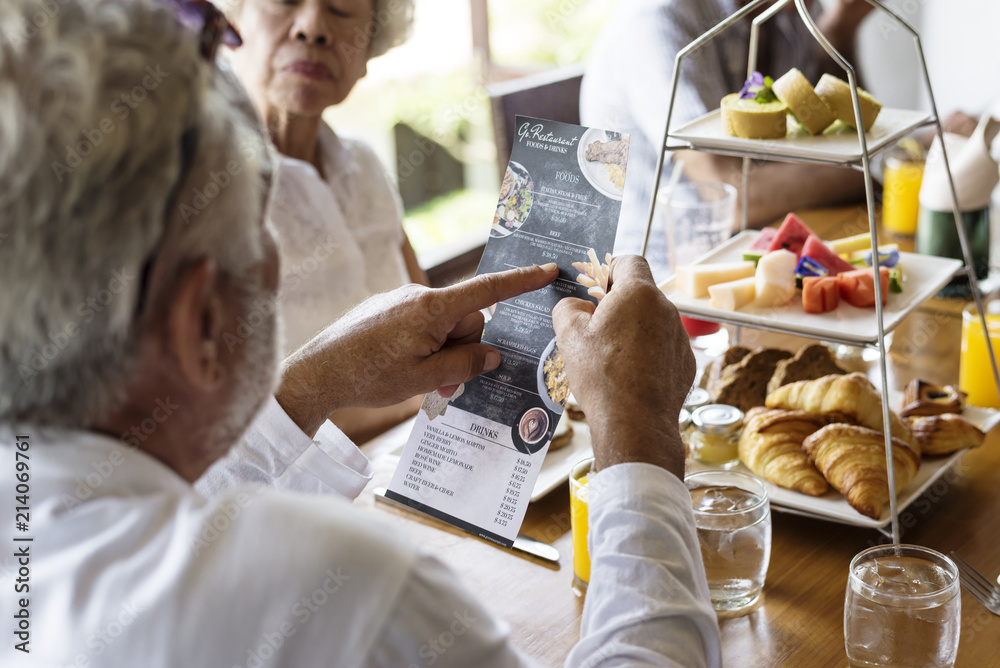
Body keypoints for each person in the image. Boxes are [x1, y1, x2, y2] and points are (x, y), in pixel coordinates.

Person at [0, 1, 721, 666]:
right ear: (203, 321)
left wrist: (312, 384)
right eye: (257, 231)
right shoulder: (332, 586)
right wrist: (638, 432)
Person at [225, 0, 428, 442]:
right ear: (230, 19)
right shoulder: (193, 192)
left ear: (370, 44)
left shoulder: (366, 166)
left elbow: (434, 324)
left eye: (341, 8)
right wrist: (424, 396)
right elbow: (219, 434)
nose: (313, 27)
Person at [581, 0, 874, 281]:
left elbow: (836, 128)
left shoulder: (790, 12)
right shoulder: (658, 21)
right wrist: (872, 171)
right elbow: (733, 196)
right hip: (653, 272)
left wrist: (839, 30)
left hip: (755, 242)